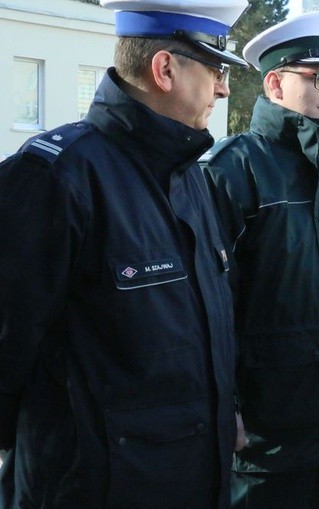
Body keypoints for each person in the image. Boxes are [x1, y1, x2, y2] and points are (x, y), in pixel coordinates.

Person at [0, 1, 248, 507]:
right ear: (165, 69)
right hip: (95, 488)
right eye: (216, 69)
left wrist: (227, 411)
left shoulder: (190, 175)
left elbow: (204, 321)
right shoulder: (56, 176)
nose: (223, 88)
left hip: (195, 479)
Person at [201, 11, 319, 509]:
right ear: (275, 83)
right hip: (266, 430)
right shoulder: (231, 169)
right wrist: (227, 407)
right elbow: (210, 305)